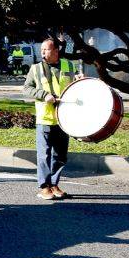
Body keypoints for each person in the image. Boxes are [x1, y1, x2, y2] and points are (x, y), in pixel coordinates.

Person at [24, 36, 82, 201]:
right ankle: (44, 187)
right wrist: (44, 95)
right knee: (44, 155)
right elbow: (27, 89)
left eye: (46, 49)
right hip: (45, 118)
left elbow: (74, 88)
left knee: (60, 155)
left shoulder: (69, 65)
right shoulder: (35, 69)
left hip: (64, 118)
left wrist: (79, 80)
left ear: (56, 51)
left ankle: (54, 184)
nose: (42, 52)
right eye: (41, 49)